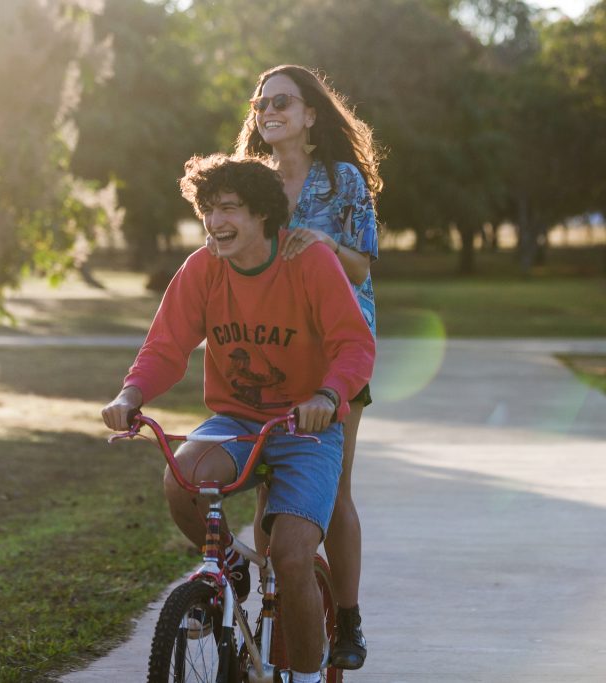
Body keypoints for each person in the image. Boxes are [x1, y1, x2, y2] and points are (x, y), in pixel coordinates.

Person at [101, 153, 375, 683]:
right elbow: (166, 347)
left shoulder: (309, 263)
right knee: (182, 478)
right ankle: (226, 567)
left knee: (291, 557)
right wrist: (130, 395)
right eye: (208, 209)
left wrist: (327, 395)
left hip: (306, 428)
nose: (214, 221)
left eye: (229, 208)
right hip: (235, 421)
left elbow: (354, 345)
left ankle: (305, 676)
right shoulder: (202, 268)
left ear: (262, 214)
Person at [230, 64, 383, 670]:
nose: (269, 111)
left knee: (333, 489)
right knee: (270, 486)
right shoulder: (253, 182)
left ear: (311, 114)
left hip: (338, 352)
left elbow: (362, 267)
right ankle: (278, 599)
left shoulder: (342, 180)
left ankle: (347, 615)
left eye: (283, 102)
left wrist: (322, 243)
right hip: (274, 347)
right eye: (261, 103)